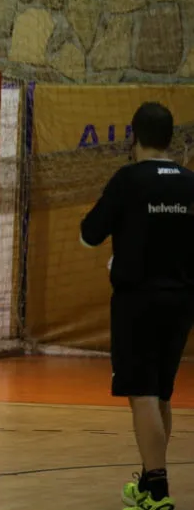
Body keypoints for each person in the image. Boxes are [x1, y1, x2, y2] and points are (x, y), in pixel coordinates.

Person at [80, 102, 194, 510]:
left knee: (142, 393)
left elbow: (89, 235)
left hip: (137, 301)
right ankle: (148, 483)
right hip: (182, 302)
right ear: (171, 139)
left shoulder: (127, 180)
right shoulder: (189, 182)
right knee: (161, 393)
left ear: (135, 138)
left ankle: (159, 492)